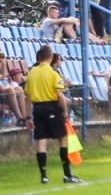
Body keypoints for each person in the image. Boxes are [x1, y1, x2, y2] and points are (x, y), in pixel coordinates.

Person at [23, 44, 83, 184]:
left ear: (39, 57)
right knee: (62, 139)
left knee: (41, 141)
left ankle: (44, 176)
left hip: (37, 109)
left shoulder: (31, 73)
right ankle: (67, 175)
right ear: (51, 57)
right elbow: (60, 95)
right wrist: (65, 112)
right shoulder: (53, 73)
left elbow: (27, 97)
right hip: (52, 107)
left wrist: (28, 117)